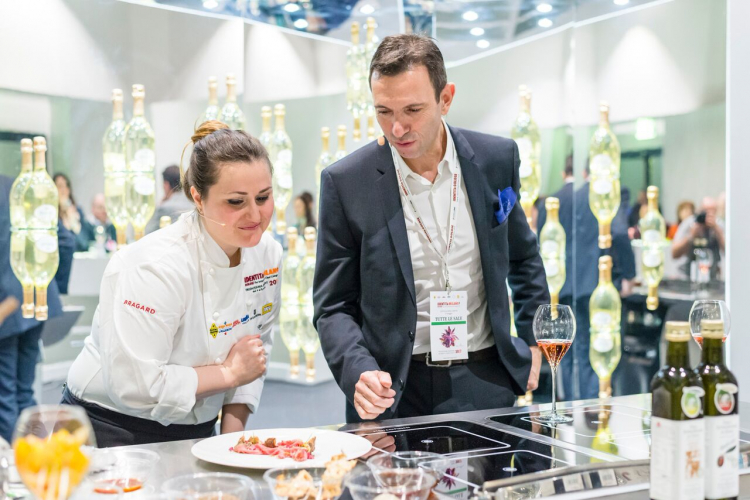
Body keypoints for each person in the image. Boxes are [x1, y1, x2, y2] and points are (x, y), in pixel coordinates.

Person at [313, 34, 549, 423]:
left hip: (487, 375)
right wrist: (358, 372)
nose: (398, 128)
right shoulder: (347, 183)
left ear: (446, 98)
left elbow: (524, 258)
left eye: (412, 109)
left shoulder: (494, 159)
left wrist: (534, 343)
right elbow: (332, 306)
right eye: (384, 111)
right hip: (394, 389)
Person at [63, 121, 281, 447]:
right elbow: (136, 387)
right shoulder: (154, 267)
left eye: (263, 197)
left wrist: (233, 444)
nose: (255, 214)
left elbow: (254, 353)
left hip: (199, 429)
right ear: (198, 197)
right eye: (236, 202)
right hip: (106, 426)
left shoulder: (267, 254)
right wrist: (229, 374)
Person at [0, 175, 75, 442]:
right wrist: (54, 285)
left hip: (5, 308)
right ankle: (36, 459)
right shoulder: (23, 186)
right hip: (38, 297)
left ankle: (16, 471)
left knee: (5, 395)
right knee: (23, 390)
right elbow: (65, 242)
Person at [554, 166, 635, 401]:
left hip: (567, 283)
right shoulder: (606, 196)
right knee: (598, 344)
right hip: (597, 282)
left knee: (572, 347)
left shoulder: (569, 197)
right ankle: (592, 404)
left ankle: (569, 403)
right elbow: (619, 233)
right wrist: (629, 275)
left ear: (584, 171)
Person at [671, 196, 725, 280]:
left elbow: (730, 252)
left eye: (712, 211)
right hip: (686, 277)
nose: (708, 215)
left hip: (711, 278)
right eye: (706, 211)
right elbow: (674, 253)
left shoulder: (719, 225)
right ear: (700, 210)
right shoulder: (689, 224)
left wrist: (717, 231)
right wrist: (691, 236)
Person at [145, 165, 195, 233]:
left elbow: (147, 231)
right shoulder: (193, 202)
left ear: (166, 184)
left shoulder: (164, 208)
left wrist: (161, 203)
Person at [54, 173, 89, 252]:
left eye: (66, 186)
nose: (63, 190)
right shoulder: (52, 214)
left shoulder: (77, 212)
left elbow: (84, 244)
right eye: (60, 186)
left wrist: (72, 220)